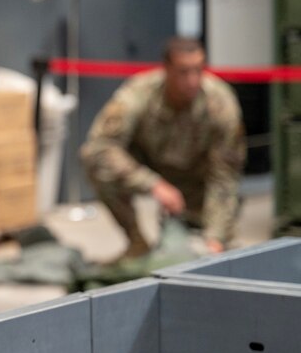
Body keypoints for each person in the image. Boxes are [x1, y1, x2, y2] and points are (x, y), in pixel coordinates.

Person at [80, 36, 246, 259]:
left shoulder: (220, 104)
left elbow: (225, 177)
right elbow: (99, 147)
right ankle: (137, 244)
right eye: (183, 71)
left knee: (218, 253)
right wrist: (153, 184)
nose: (192, 80)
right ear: (166, 69)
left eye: (198, 70)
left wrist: (215, 239)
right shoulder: (139, 94)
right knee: (95, 162)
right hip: (154, 173)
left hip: (200, 184)